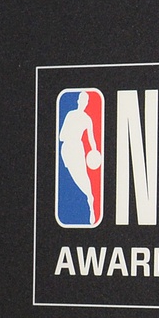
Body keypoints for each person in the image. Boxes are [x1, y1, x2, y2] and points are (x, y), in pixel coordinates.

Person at [58, 92, 100, 222]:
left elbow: (91, 138)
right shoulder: (70, 115)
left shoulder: (87, 119)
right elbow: (61, 136)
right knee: (72, 179)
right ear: (78, 101)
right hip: (67, 149)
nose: (83, 102)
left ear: (87, 103)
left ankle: (91, 203)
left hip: (78, 149)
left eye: (85, 100)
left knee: (83, 178)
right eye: (82, 99)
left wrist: (94, 151)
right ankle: (88, 200)